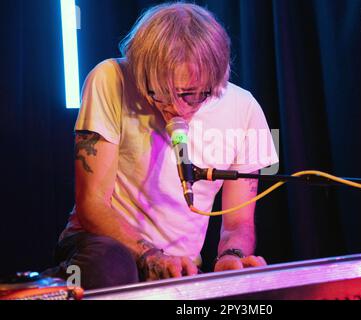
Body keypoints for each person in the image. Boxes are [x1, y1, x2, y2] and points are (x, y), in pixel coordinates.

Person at [50, 2, 278, 290]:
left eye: (193, 95)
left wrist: (231, 256)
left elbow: (237, 223)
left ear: (218, 76)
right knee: (111, 266)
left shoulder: (245, 108)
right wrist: (151, 256)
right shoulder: (109, 78)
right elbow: (92, 204)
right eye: (160, 93)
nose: (178, 108)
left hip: (179, 265)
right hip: (99, 248)